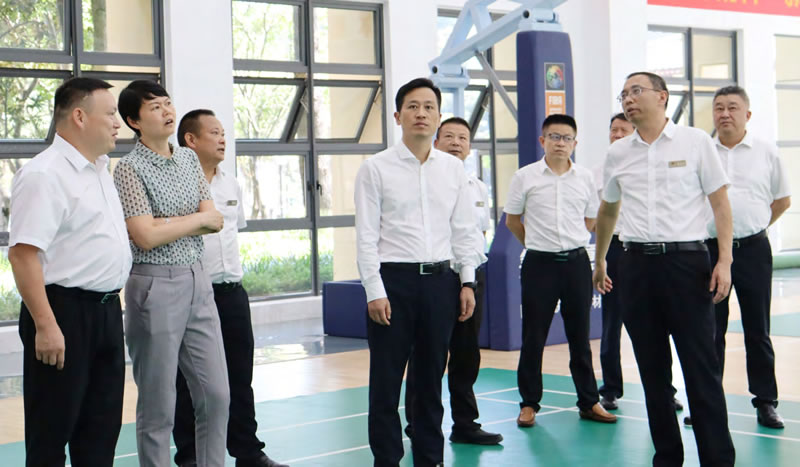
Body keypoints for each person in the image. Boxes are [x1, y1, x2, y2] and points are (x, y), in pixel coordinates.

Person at [593, 71, 736, 466]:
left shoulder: (695, 142)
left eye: (636, 91)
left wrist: (724, 260)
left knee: (701, 369)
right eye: (624, 94)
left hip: (687, 265)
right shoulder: (618, 154)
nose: (628, 99)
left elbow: (721, 204)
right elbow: (608, 210)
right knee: (653, 373)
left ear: (662, 96)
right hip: (636, 266)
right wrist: (600, 258)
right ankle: (668, 457)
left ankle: (718, 459)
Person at [355, 78, 485, 467]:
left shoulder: (453, 170)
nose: (421, 113)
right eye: (413, 106)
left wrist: (467, 281)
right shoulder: (375, 168)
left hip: (441, 284)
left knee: (429, 382)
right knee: (385, 383)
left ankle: (431, 459)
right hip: (393, 284)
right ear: (398, 116)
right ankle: (387, 460)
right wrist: (374, 290)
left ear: (438, 116)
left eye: (429, 107)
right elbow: (365, 237)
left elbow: (464, 230)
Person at [9, 77, 131, 466]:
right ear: (79, 116)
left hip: (106, 313)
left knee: (100, 434)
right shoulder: (45, 174)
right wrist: (46, 325)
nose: (118, 123)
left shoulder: (99, 170)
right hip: (62, 314)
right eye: (110, 114)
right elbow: (23, 255)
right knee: (51, 434)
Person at [113, 81, 230, 467]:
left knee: (217, 395)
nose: (167, 111)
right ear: (134, 121)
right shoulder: (128, 169)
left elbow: (214, 221)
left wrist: (167, 222)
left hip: (199, 280)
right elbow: (145, 236)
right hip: (154, 286)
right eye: (154, 107)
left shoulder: (189, 159)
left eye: (167, 104)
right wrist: (191, 220)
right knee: (158, 403)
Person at [171, 109, 289, 466]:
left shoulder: (231, 183)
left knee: (240, 375)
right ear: (191, 140)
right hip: (192, 293)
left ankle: (247, 451)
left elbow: (234, 231)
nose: (223, 139)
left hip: (232, 292)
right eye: (214, 133)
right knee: (188, 382)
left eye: (223, 132)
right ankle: (190, 456)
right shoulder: (177, 184)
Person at [505, 114, 616, 428]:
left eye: (567, 138)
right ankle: (529, 404)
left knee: (580, 337)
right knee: (534, 337)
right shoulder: (525, 177)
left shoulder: (585, 178)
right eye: (554, 137)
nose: (560, 143)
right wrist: (536, 244)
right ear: (543, 140)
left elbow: (591, 220)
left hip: (576, 264)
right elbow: (513, 220)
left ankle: (589, 401)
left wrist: (568, 243)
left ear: (574, 143)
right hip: (538, 265)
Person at [404, 117, 502, 446]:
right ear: (436, 141)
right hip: (439, 277)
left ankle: (465, 423)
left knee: (466, 354)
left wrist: (470, 279)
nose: (456, 142)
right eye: (449, 136)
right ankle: (418, 423)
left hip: (471, 277)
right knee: (427, 354)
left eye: (463, 138)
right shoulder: (423, 182)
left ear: (470, 147)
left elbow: (477, 232)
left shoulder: (478, 186)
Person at [705, 85, 790, 428]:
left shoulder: (766, 152)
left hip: (754, 250)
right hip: (709, 252)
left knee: (758, 329)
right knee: (710, 331)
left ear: (747, 114)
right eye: (719, 107)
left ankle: (765, 401)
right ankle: (707, 402)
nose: (725, 113)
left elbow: (782, 200)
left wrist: (754, 227)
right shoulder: (703, 152)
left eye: (732, 107)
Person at [593, 113, 684, 413]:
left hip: (644, 251)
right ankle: (610, 389)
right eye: (613, 130)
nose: (617, 134)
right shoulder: (601, 170)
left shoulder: (650, 166)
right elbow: (595, 216)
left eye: (623, 130)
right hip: (614, 249)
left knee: (659, 324)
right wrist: (601, 256)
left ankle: (665, 391)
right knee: (611, 324)